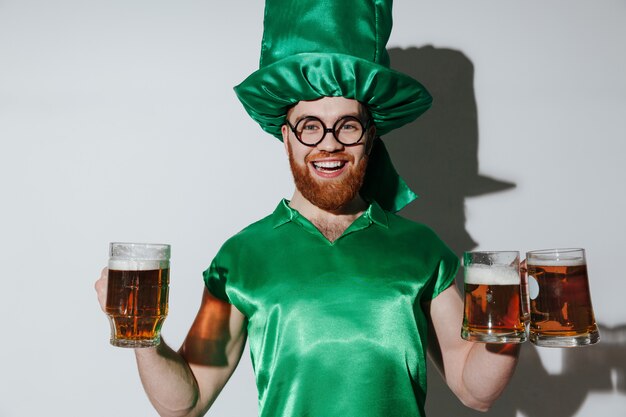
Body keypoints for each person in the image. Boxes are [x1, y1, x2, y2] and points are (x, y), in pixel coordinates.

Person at [95, 1, 520, 416]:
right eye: (310, 126)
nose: (329, 144)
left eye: (347, 126)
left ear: (370, 137)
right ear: (286, 138)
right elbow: (186, 404)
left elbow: (474, 389)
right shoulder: (241, 257)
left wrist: (510, 324)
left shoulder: (423, 249)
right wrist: (144, 336)